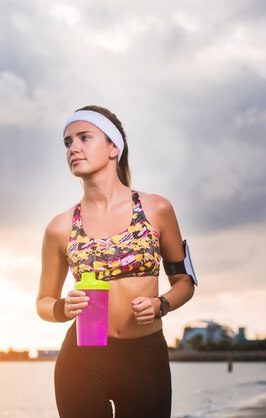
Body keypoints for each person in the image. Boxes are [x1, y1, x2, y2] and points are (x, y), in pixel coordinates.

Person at [36, 105, 196, 418]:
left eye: (84, 137)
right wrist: (61, 308)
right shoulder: (60, 227)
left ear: (114, 148)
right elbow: (43, 301)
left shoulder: (156, 209)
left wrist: (161, 305)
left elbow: (185, 282)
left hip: (145, 358)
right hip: (82, 359)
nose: (74, 148)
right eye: (68, 142)